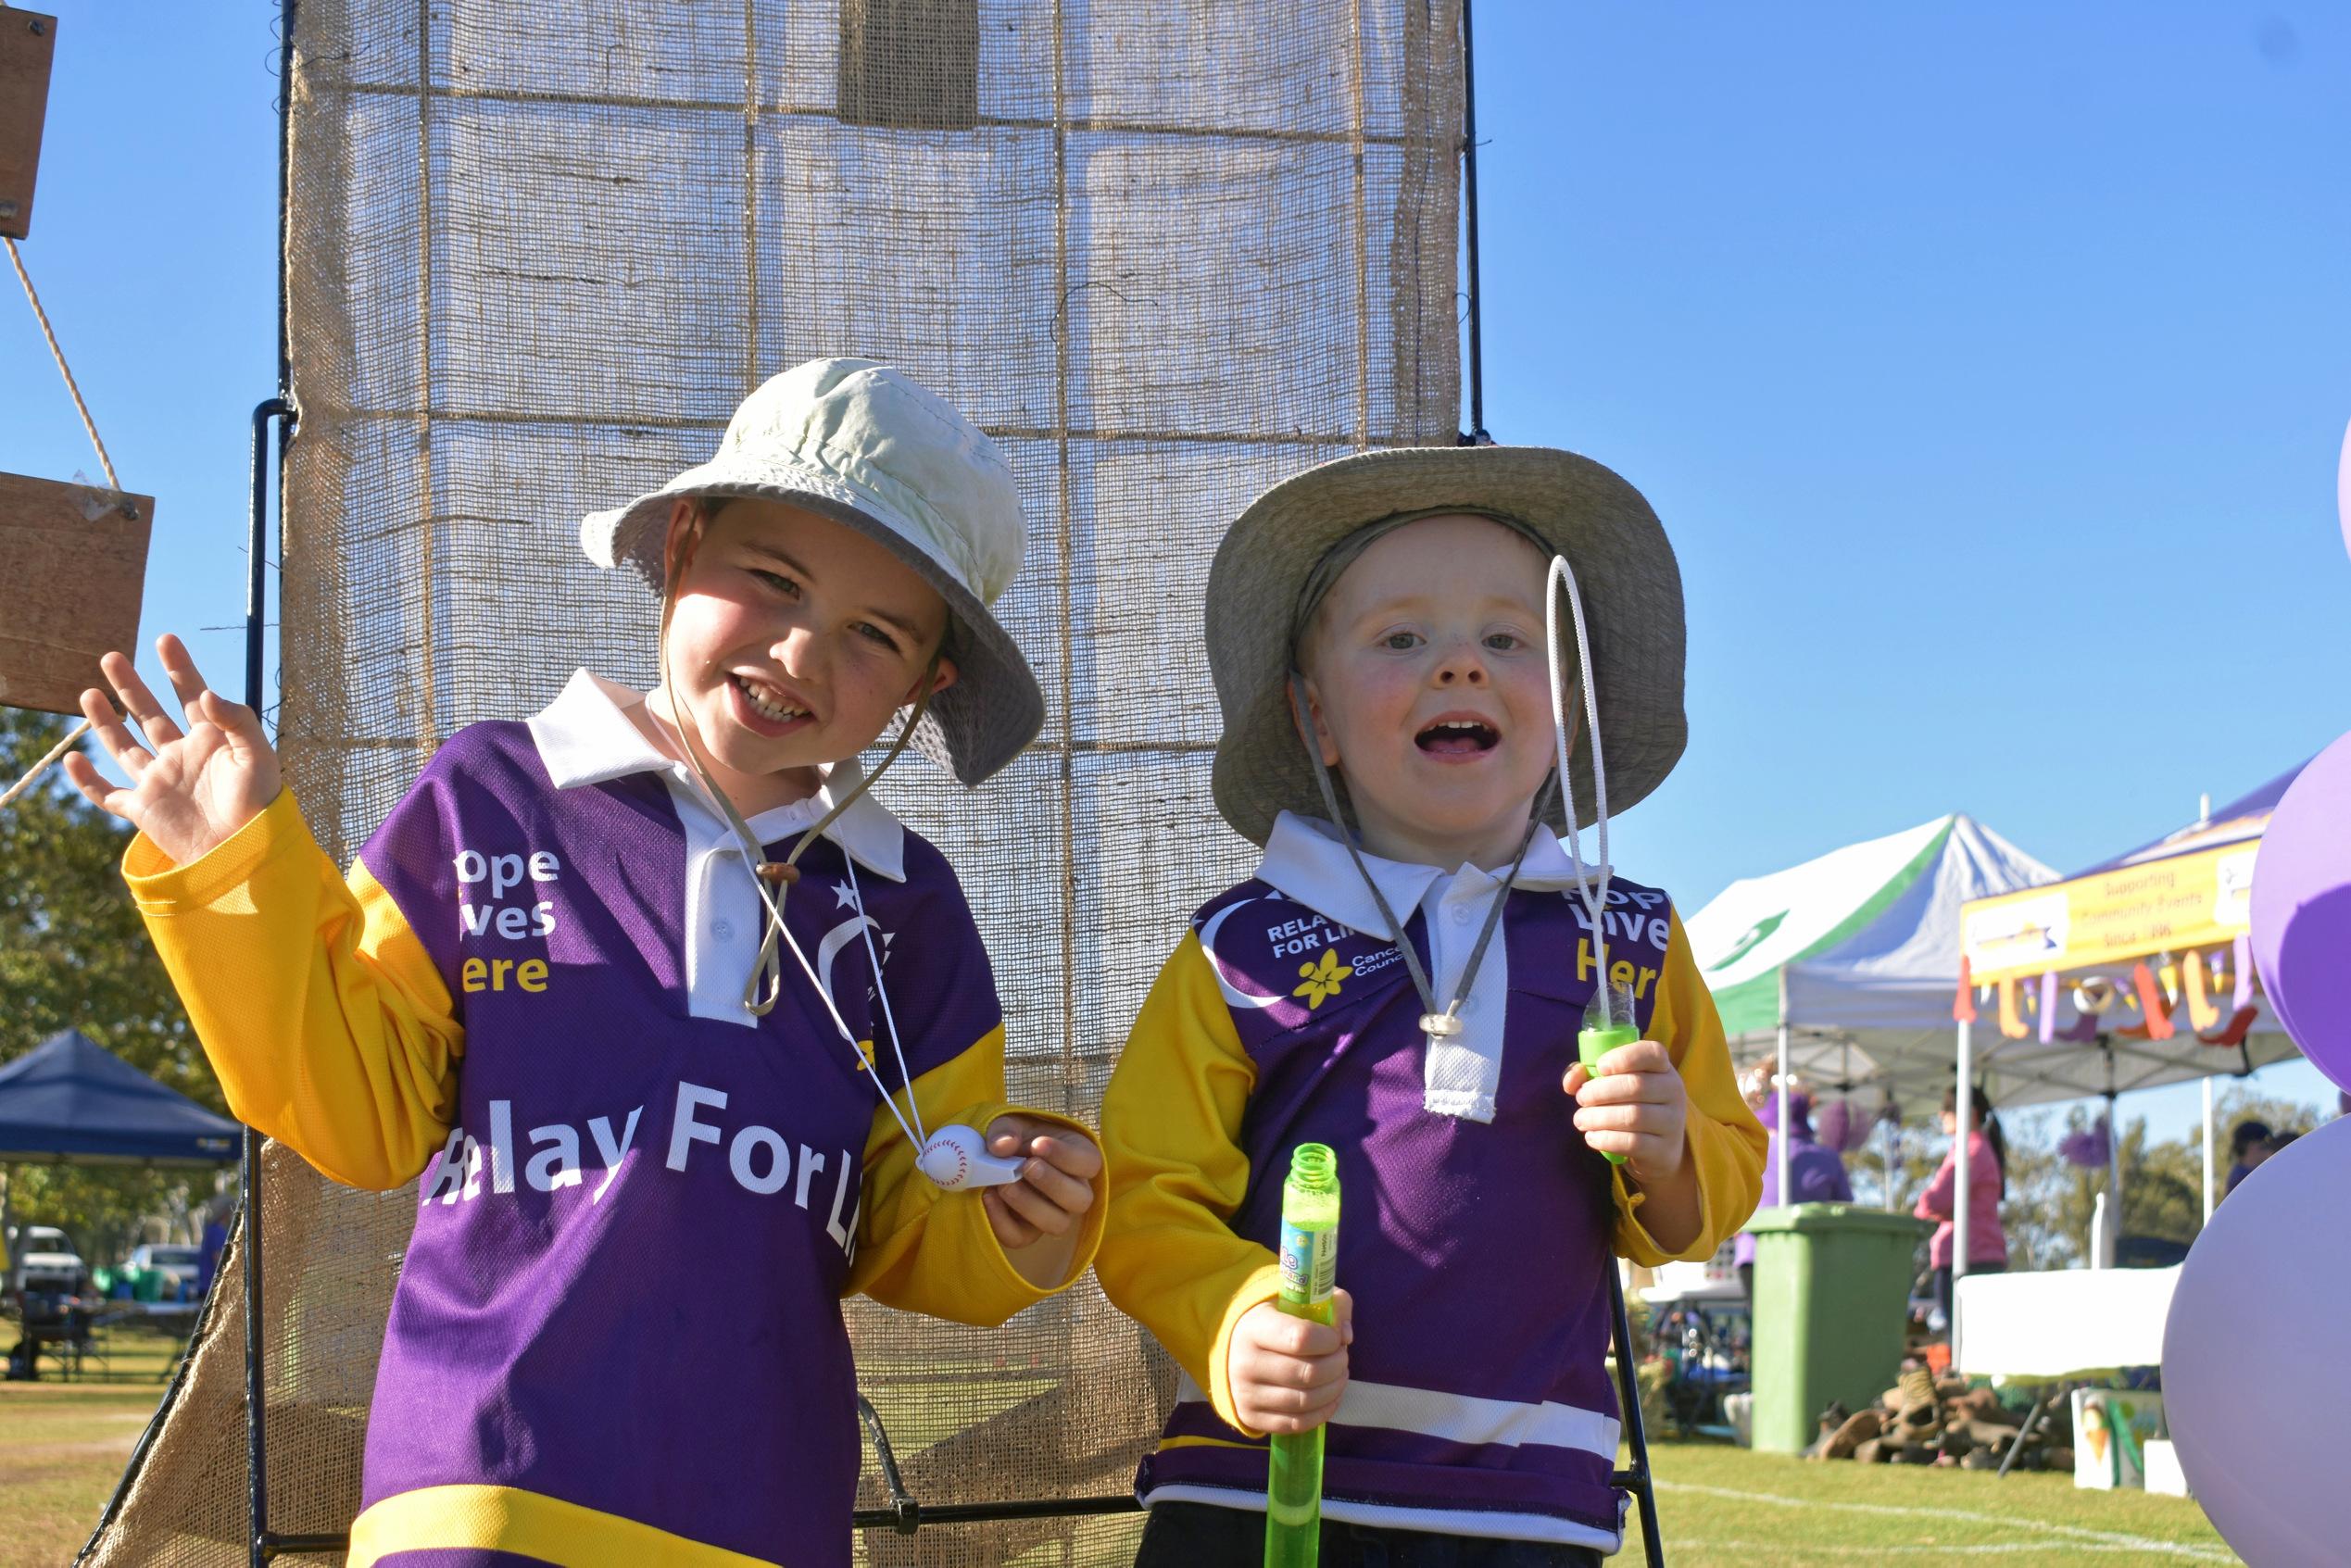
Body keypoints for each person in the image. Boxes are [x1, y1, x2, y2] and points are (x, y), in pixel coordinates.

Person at [67, 360, 1106, 1568]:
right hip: (474, 1500)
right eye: (772, 580)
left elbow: (905, 1225)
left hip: (762, 1522)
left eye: (872, 634)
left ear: (928, 687)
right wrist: (233, 869)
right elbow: (360, 1118)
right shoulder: (492, 792)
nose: (801, 652)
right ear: (679, 541)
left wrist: (1019, 1221)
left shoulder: (910, 908)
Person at [1096, 445, 1766, 1562]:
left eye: (1506, 639)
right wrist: (1233, 1319)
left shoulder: (1633, 938)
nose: (1459, 665)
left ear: (1569, 712)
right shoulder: (1242, 945)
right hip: (1255, 1494)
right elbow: (1141, 1195)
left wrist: (1668, 1150)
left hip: (1528, 1506)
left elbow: (1712, 1190)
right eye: (1403, 638)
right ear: (1315, 719)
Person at [1734, 1084, 1854, 1299]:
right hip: (1811, 1259)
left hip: (1755, 1256)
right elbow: (1845, 1211)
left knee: (1765, 1330)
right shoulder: (1828, 1158)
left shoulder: (1751, 1151)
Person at [1915, 1084, 2006, 1329]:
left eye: (1948, 1108)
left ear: (1970, 1113)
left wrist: (1928, 1205)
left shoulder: (1971, 1151)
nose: (1941, 1115)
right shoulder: (1973, 1149)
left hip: (1969, 1258)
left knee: (1966, 1344)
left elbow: (1935, 1201)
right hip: (1974, 1254)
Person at [2224, 1118, 2274, 1195]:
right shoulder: (2244, 1179)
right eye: (2264, 1146)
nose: (2270, 1152)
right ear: (2250, 1146)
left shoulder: (2242, 1175)